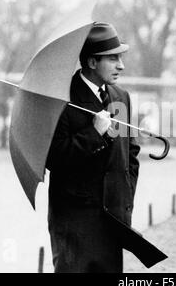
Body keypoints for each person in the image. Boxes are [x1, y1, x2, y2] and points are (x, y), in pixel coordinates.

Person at [45, 23, 141, 273]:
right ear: (91, 62)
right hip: (74, 225)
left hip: (113, 222)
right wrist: (93, 134)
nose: (121, 65)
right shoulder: (60, 99)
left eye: (120, 57)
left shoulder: (121, 98)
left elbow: (129, 156)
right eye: (113, 58)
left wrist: (125, 203)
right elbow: (54, 159)